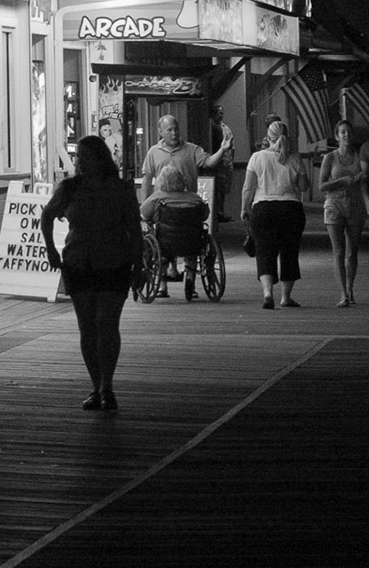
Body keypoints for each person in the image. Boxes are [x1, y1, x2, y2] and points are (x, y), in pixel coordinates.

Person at [42, 135, 143, 410]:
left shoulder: (120, 189)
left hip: (114, 260)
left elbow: (134, 228)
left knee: (107, 323)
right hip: (79, 261)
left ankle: (107, 385)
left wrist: (139, 265)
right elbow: (47, 215)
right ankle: (96, 385)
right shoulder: (70, 189)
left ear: (101, 158)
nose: (81, 161)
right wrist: (51, 249)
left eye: (86, 156)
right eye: (79, 157)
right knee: (87, 326)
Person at [136, 114, 218, 299]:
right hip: (191, 235)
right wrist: (223, 150)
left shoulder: (157, 199)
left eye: (176, 129)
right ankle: (190, 278)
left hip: (165, 230)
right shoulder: (195, 199)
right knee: (196, 237)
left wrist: (145, 208)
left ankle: (162, 282)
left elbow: (143, 213)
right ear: (161, 132)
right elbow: (205, 214)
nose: (174, 133)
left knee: (156, 237)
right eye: (169, 129)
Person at [240, 116, 310, 310]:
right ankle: (286, 297)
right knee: (289, 252)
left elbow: (248, 187)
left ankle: (268, 293)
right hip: (291, 209)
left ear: (268, 137)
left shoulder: (257, 157)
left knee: (264, 252)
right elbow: (304, 187)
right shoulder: (295, 158)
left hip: (263, 209)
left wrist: (244, 208)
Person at [320, 118, 369, 307]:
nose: (346, 135)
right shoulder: (330, 158)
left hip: (355, 205)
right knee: (339, 251)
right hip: (334, 205)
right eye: (342, 132)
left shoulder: (359, 156)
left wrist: (362, 182)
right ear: (337, 136)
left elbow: (365, 179)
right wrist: (342, 181)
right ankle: (342, 293)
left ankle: (350, 288)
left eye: (348, 132)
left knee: (352, 252)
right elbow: (322, 185)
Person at [207, 111, 237, 222]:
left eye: (222, 113)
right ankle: (215, 214)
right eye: (218, 113)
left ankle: (221, 212)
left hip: (225, 162)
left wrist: (230, 161)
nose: (220, 115)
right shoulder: (209, 127)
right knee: (215, 189)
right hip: (214, 163)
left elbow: (232, 147)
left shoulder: (226, 129)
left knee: (223, 190)